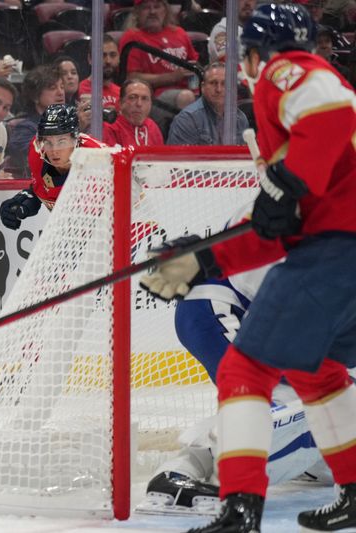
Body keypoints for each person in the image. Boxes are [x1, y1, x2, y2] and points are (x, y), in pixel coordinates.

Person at [139, 5, 356, 531]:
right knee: (312, 369)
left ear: (258, 53)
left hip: (335, 255)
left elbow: (331, 110)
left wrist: (291, 181)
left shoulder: (290, 73)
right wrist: (206, 260)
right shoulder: (298, 143)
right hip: (329, 257)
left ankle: (239, 507)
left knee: (245, 372)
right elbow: (276, 229)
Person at [0, 104, 104, 229]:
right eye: (48, 142)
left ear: (76, 139)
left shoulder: (100, 159)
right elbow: (42, 189)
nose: (55, 151)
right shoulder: (37, 153)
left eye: (62, 142)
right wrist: (23, 203)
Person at [167, 63, 249, 146]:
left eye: (224, 84)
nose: (219, 89)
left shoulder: (240, 119)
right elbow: (180, 158)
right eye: (213, 83)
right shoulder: (187, 120)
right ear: (202, 87)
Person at [5, 65, 66, 177]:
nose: (60, 92)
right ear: (35, 97)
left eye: (62, 87)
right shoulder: (25, 128)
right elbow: (31, 156)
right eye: (53, 88)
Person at [102, 79, 164, 148]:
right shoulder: (110, 127)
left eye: (144, 98)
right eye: (133, 98)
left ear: (151, 104)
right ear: (120, 103)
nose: (139, 104)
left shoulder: (152, 127)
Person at [77, 33, 121, 111]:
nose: (108, 61)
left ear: (119, 58)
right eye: (102, 55)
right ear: (90, 59)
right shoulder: (78, 90)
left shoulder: (121, 93)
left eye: (113, 55)